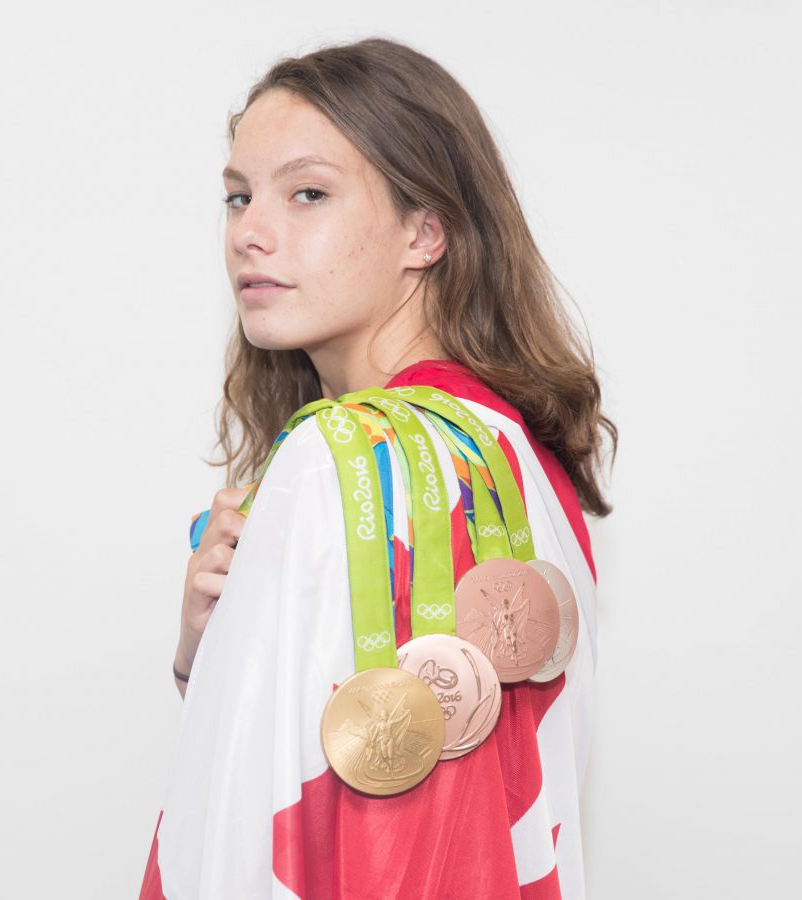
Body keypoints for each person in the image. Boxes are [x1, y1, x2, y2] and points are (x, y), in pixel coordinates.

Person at [141, 37, 616, 900]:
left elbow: (309, 843)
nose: (249, 231)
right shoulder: (512, 447)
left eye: (308, 194)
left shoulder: (350, 455)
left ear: (425, 231)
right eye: (238, 196)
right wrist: (208, 654)